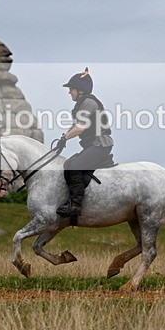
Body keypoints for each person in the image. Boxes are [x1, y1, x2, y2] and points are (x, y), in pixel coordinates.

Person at [55, 68, 114, 225]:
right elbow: (75, 126)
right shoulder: (81, 104)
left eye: (71, 89)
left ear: (80, 90)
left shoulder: (89, 103)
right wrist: (63, 138)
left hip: (100, 144)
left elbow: (80, 128)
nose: (69, 92)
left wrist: (65, 138)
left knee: (75, 166)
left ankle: (75, 205)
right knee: (69, 164)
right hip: (92, 145)